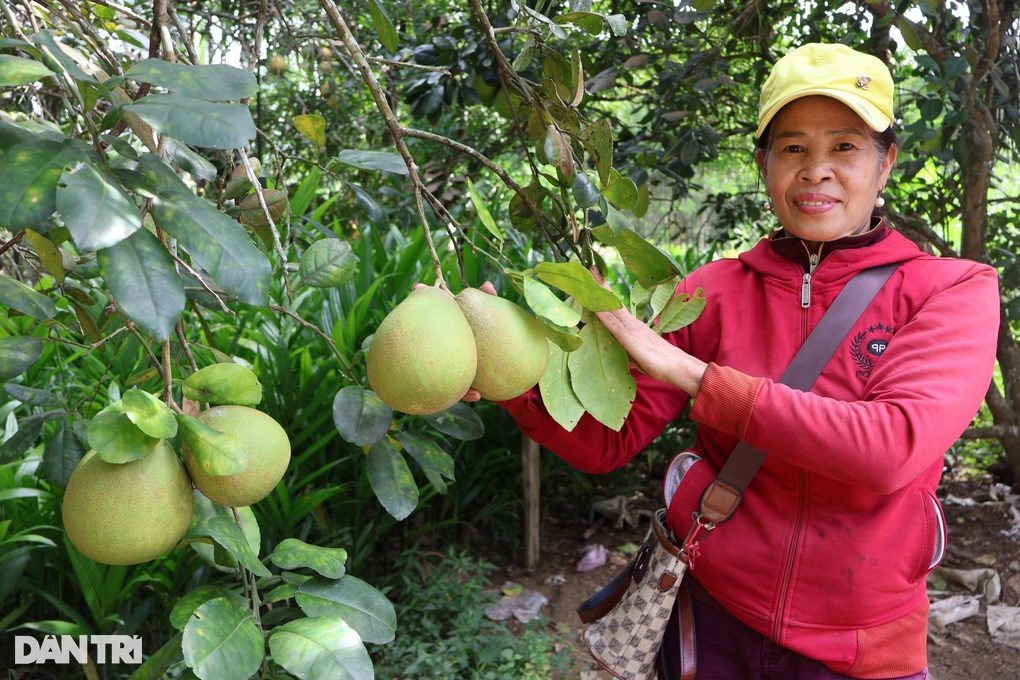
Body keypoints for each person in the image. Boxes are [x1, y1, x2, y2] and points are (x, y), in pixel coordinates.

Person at [478, 42, 1001, 679]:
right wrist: (503, 369)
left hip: (861, 650)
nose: (816, 171)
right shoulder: (711, 293)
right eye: (792, 148)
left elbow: (889, 450)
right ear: (764, 164)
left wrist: (692, 375)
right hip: (715, 621)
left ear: (885, 162)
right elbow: (603, 441)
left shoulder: (950, 289)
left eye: (844, 146)